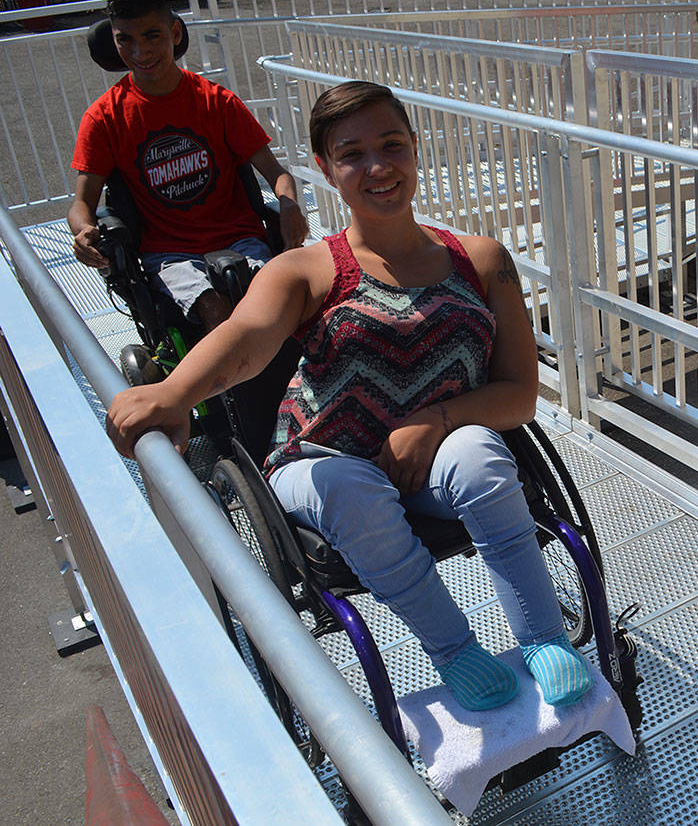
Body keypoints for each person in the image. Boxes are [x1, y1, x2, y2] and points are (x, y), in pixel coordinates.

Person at [107, 80, 593, 711]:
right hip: (321, 464)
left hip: (434, 462)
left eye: (392, 146)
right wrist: (172, 391)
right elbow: (248, 338)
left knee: (478, 450)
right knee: (351, 488)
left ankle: (543, 639)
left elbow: (520, 395)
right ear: (325, 168)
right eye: (353, 154)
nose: (378, 167)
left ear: (416, 149)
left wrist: (433, 421)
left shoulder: (481, 259)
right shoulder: (307, 269)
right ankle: (456, 652)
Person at [67, 0, 309, 333]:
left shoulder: (218, 102)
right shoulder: (104, 117)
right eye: (125, 40)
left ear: (175, 33)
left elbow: (277, 174)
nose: (140, 51)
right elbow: (81, 202)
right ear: (114, 40)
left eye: (152, 36)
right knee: (217, 314)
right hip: (169, 253)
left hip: (241, 238)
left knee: (280, 306)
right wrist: (83, 229)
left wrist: (289, 205)